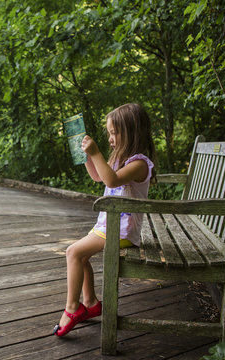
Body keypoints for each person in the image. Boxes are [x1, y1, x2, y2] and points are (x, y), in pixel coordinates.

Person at [53, 103, 156, 337]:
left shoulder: (139, 163)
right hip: (107, 226)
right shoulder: (121, 159)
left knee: (73, 252)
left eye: (113, 132)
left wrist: (97, 152)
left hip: (122, 231)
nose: (110, 138)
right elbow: (99, 177)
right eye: (109, 133)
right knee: (81, 256)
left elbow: (111, 181)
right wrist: (89, 156)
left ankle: (72, 308)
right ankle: (90, 303)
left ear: (130, 132)